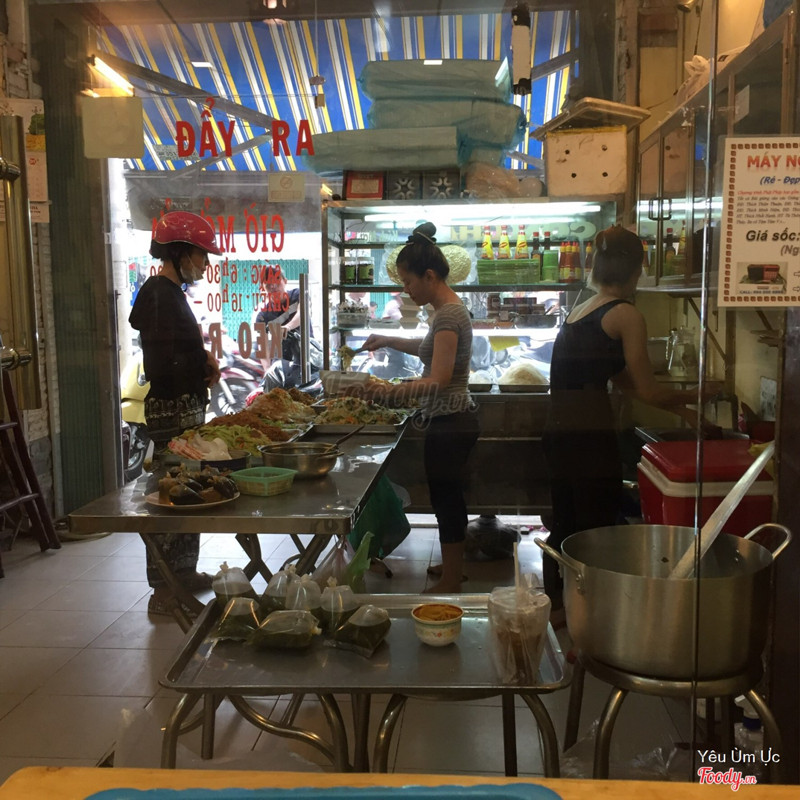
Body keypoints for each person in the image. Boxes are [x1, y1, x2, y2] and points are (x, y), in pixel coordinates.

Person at [542, 225, 719, 617]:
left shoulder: (583, 307)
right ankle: (590, 614)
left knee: (567, 522)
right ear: (638, 269)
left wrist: (684, 410)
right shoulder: (625, 315)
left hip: (560, 432)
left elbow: (622, 380)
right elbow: (649, 390)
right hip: (589, 437)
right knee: (595, 529)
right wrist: (696, 395)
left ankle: (558, 607)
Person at [346, 222, 479, 593]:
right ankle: (453, 566)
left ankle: (451, 580)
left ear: (429, 276)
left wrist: (388, 392)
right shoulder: (447, 311)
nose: (406, 289)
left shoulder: (448, 315)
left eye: (408, 281)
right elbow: (430, 348)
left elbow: (438, 379)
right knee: (447, 497)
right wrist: (388, 339)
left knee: (447, 500)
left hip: (451, 420)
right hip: (453, 419)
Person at [129, 210, 223, 617]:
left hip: (187, 409)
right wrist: (200, 365)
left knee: (191, 492)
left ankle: (184, 572)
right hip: (171, 412)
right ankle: (163, 589)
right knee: (169, 496)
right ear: (180, 252)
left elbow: (179, 350)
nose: (205, 262)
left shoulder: (172, 294)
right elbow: (163, 363)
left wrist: (203, 359)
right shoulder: (157, 295)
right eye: (201, 254)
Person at [254, 267, 302, 375]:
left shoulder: (298, 295)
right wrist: (267, 370)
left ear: (285, 281)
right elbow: (262, 347)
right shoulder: (263, 316)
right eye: (267, 283)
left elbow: (302, 313)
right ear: (263, 287)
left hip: (307, 360)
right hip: (281, 368)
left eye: (276, 280)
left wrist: (288, 327)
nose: (273, 286)